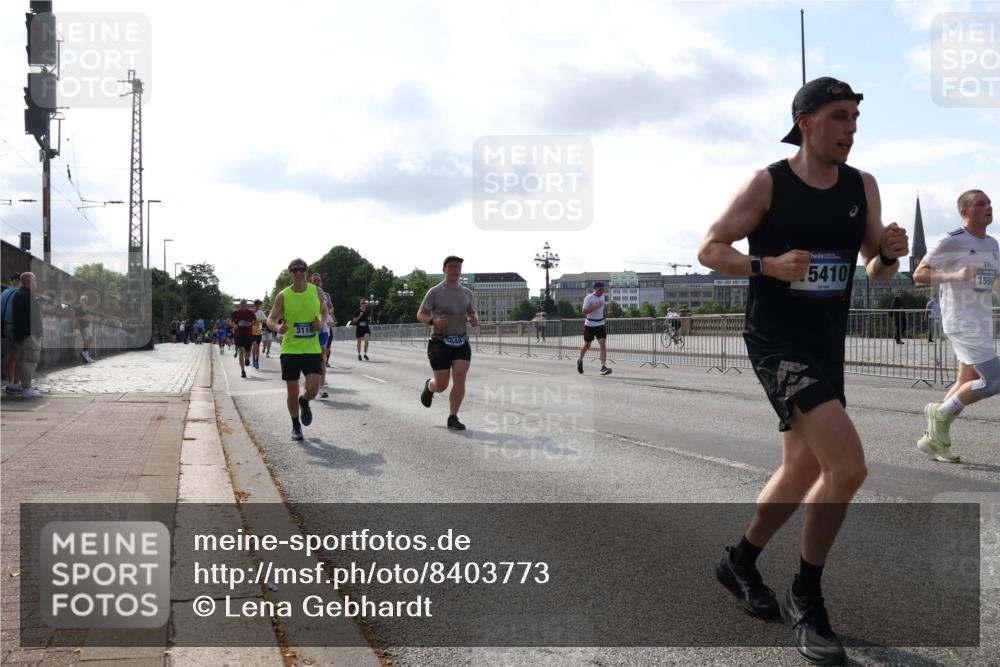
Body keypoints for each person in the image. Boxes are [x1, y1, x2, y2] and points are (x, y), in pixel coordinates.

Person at [697, 77, 908, 665]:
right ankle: (805, 596)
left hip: (825, 340)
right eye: (840, 117)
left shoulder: (862, 185)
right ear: (806, 122)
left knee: (801, 467)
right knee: (848, 466)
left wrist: (888, 253)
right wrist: (765, 265)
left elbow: (877, 269)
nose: (851, 129)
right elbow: (710, 249)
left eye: (856, 119)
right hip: (777, 341)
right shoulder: (768, 183)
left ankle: (739, 563)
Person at [913, 189, 999, 463]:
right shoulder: (951, 240)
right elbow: (919, 274)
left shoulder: (992, 243)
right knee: (994, 380)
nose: (988, 207)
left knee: (965, 381)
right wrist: (954, 275)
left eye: (989, 203)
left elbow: (994, 281)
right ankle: (940, 412)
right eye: (980, 204)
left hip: (982, 319)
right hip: (962, 320)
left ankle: (933, 439)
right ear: (964, 212)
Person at [267, 258, 328, 441]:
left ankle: (304, 401)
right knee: (292, 390)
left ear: (306, 271)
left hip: (311, 348)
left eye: (302, 269)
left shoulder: (316, 291)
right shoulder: (283, 295)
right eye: (295, 270)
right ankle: (295, 426)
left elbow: (324, 311)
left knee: (313, 389)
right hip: (290, 349)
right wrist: (278, 327)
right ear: (290, 272)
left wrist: (321, 322)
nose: (299, 272)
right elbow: (271, 318)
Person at [417, 255, 479, 430]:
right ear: (444, 269)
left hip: (461, 341)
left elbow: (471, 313)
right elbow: (421, 314)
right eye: (452, 266)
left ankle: (453, 417)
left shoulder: (467, 293)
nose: (455, 269)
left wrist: (473, 318)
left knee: (460, 377)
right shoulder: (435, 292)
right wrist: (432, 321)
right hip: (440, 342)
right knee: (442, 385)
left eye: (458, 267)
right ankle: (430, 386)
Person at [10, 272, 45, 398]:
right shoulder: (28, 295)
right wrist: (38, 333)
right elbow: (34, 317)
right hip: (30, 335)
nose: (36, 282)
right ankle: (27, 388)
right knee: (30, 360)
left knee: (22, 361)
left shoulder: (18, 294)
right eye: (35, 279)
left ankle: (25, 386)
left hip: (20, 333)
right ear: (30, 281)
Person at [577, 282, 611, 375]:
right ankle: (580, 360)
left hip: (600, 324)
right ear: (595, 289)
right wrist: (594, 307)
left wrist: (605, 308)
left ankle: (603, 367)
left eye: (603, 289)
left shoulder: (602, 296)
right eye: (600, 289)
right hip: (590, 324)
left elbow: (603, 310)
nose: (602, 291)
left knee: (603, 344)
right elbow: (584, 311)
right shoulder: (589, 298)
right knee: (587, 345)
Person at [310, 274, 333, 397]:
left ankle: (321, 387)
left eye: (318, 280)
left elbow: (331, 309)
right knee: (311, 358)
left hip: (323, 329)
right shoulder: (307, 293)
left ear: (321, 283)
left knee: (321, 358)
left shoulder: (325, 295)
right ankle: (312, 382)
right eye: (314, 280)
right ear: (311, 282)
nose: (317, 282)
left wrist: (327, 310)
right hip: (310, 329)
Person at [2, 272, 22, 393]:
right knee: (18, 356)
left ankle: (10, 381)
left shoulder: (4, 292)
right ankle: (16, 383)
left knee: (11, 356)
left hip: (5, 326)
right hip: (16, 326)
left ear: (11, 281)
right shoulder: (20, 293)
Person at [231, 299, 257, 379]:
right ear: (240, 304)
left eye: (244, 303)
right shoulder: (235, 313)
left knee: (248, 352)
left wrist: (250, 324)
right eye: (242, 303)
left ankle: (247, 358)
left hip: (248, 335)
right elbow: (231, 322)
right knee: (241, 350)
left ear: (246, 304)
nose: (243, 305)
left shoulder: (250, 312)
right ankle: (243, 371)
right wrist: (234, 326)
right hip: (239, 335)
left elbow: (255, 322)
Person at [74, 295, 97, 363]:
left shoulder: (85, 308)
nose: (85, 301)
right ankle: (85, 355)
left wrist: (88, 318)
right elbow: (75, 317)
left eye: (86, 300)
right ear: (81, 300)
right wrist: (83, 318)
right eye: (83, 300)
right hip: (82, 326)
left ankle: (85, 354)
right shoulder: (77, 307)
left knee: (91, 340)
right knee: (89, 340)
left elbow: (87, 316)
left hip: (85, 325)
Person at [250, 300, 265, 369]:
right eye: (259, 304)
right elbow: (248, 321)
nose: (259, 306)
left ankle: (256, 361)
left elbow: (265, 320)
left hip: (259, 332)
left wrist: (260, 320)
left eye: (260, 305)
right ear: (255, 304)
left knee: (257, 347)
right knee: (254, 346)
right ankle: (253, 360)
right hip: (252, 332)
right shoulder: (251, 312)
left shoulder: (261, 312)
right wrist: (252, 322)